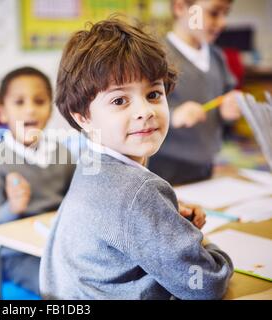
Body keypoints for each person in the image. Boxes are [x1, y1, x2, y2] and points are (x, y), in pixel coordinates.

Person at [39, 17, 233, 300]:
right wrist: (202, 244)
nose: (145, 111)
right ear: (83, 118)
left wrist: (166, 223)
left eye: (154, 94)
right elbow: (206, 285)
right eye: (120, 101)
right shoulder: (137, 191)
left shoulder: (90, 164)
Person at [0, 67, 76, 294]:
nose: (30, 109)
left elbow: (76, 205)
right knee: (69, 289)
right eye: (19, 102)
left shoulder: (63, 154)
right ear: (2, 112)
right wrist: (13, 207)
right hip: (20, 258)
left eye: (39, 101)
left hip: (61, 247)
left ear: (50, 110)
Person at [148, 0, 242, 185]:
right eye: (214, 13)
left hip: (205, 167)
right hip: (164, 172)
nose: (222, 22)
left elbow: (227, 100)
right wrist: (174, 116)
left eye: (226, 13)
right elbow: (138, 111)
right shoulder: (155, 56)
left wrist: (229, 111)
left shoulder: (217, 57)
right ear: (181, 8)